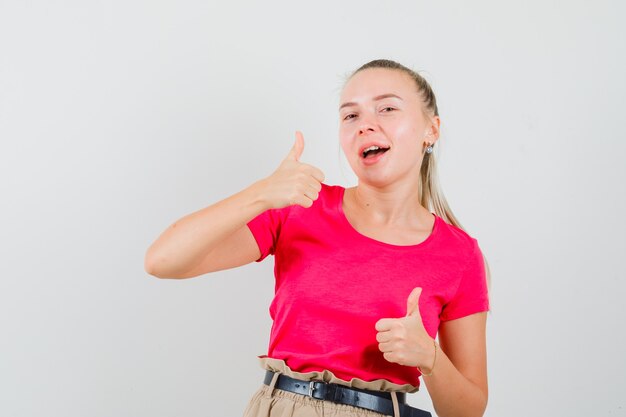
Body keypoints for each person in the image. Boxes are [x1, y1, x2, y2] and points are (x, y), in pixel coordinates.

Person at [144, 59, 491, 417]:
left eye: (387, 108)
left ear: (430, 130)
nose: (366, 125)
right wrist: (263, 193)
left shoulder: (459, 255)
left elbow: (468, 410)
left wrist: (429, 358)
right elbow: (162, 261)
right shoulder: (301, 207)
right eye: (350, 116)